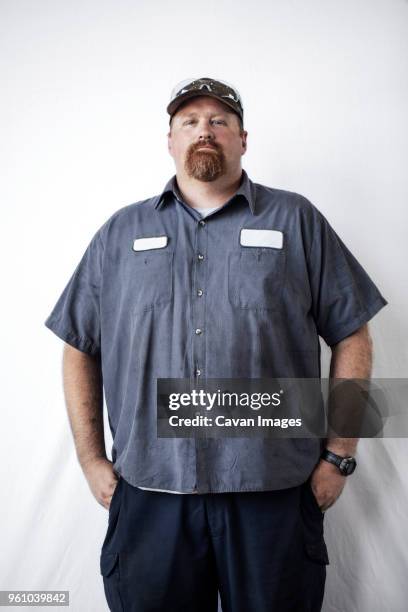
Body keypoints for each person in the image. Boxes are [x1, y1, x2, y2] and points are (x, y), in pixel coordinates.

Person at [44, 77, 388, 611]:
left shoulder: (295, 221)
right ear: (170, 140)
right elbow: (79, 346)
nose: (205, 131)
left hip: (273, 495)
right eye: (190, 121)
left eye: (219, 121)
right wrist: (91, 461)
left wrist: (339, 455)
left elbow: (352, 332)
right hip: (152, 497)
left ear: (243, 139)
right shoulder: (119, 234)